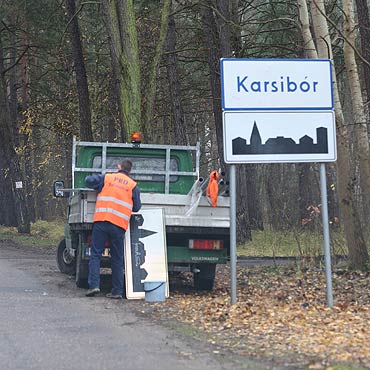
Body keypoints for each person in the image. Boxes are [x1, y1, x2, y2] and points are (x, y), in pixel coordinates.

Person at [84, 159, 141, 299]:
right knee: (117, 258)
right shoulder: (133, 186)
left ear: (119, 167)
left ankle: (94, 286)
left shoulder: (107, 178)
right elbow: (137, 207)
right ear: (130, 171)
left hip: (102, 220)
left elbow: (88, 181)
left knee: (96, 254)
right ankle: (117, 291)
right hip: (118, 225)